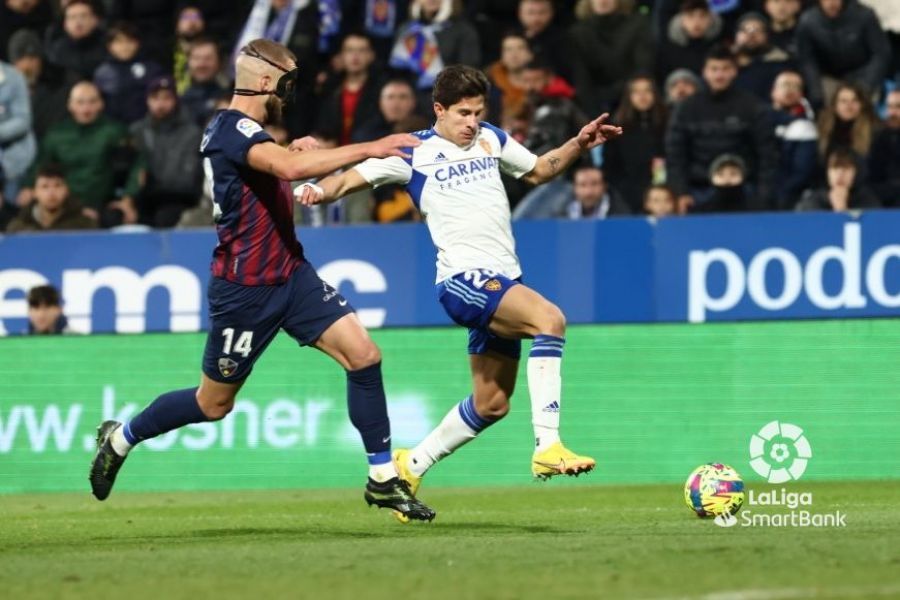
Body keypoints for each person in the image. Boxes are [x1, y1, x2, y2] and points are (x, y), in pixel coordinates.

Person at [88, 38, 436, 523]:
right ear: (267, 82)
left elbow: (277, 169)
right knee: (212, 404)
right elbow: (288, 169)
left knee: (364, 355)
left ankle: (382, 480)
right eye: (288, 84)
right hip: (245, 290)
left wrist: (295, 151)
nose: (290, 95)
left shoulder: (252, 132)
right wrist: (371, 147)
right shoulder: (230, 127)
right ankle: (121, 438)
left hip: (291, 275)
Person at [299, 65, 618, 519]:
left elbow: (539, 171)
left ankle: (411, 465)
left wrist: (577, 144)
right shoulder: (412, 151)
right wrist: (315, 188)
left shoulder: (491, 138)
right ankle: (548, 444)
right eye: (463, 113)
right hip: (463, 280)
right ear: (439, 110)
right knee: (551, 320)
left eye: (478, 112)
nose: (471, 122)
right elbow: (347, 179)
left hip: (504, 280)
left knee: (492, 404)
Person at [665, 46, 777, 212]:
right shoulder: (687, 108)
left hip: (744, 189)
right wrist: (681, 192)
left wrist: (763, 195)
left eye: (725, 69)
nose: (719, 75)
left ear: (734, 71)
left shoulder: (752, 106)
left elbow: (767, 154)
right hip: (699, 190)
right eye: (714, 69)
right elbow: (675, 154)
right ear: (704, 72)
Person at [128, 76, 203, 227]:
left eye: (166, 98)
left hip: (180, 200)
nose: (160, 104)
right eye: (155, 98)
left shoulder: (193, 133)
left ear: (175, 100)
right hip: (144, 200)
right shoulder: (137, 131)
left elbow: (191, 179)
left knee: (165, 217)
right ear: (147, 100)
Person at [796, 0, 890, 109]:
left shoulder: (864, 15)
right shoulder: (808, 21)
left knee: (863, 105)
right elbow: (807, 60)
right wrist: (816, 91)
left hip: (862, 74)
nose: (831, 3)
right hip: (828, 78)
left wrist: (866, 86)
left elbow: (880, 54)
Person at [314, 32, 382, 146]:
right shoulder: (329, 88)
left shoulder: (382, 90)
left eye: (362, 50)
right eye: (349, 50)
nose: (355, 56)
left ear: (371, 55)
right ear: (341, 55)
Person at [93, 22, 164, 125]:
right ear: (109, 46)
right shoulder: (102, 73)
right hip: (113, 127)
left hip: (148, 126)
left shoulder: (153, 69)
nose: (125, 46)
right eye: (119, 42)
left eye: (129, 41)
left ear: (138, 43)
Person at [768, 70, 818, 209]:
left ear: (801, 94)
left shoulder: (805, 126)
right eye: (785, 85)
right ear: (773, 91)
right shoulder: (760, 120)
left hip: (791, 193)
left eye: (795, 86)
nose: (789, 90)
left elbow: (802, 171)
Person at [7, 163, 95, 232]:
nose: (51, 193)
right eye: (45, 186)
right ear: (34, 193)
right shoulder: (18, 228)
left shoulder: (84, 226)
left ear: (67, 191)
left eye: (58, 186)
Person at [796, 148, 881, 210]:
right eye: (835, 168)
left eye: (846, 168)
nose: (840, 174)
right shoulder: (812, 201)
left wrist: (841, 209)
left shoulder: (868, 201)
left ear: (857, 172)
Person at [868, 89, 900, 207]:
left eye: (898, 107)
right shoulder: (877, 136)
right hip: (881, 192)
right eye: (889, 107)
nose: (892, 112)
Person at [564, 165, 631, 219]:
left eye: (594, 184)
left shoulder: (621, 215)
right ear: (574, 188)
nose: (589, 192)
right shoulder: (563, 213)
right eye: (583, 185)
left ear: (605, 186)